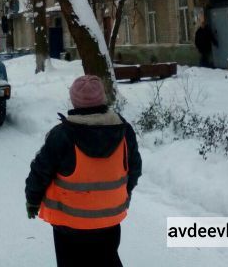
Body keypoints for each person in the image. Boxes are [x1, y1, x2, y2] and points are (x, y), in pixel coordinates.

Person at [25, 74, 142, 267]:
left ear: (74, 102)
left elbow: (40, 172)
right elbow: (134, 168)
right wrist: (123, 194)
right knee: (108, 259)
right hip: (109, 220)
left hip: (68, 225)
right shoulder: (123, 130)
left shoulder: (62, 135)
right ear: (103, 98)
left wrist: (32, 200)